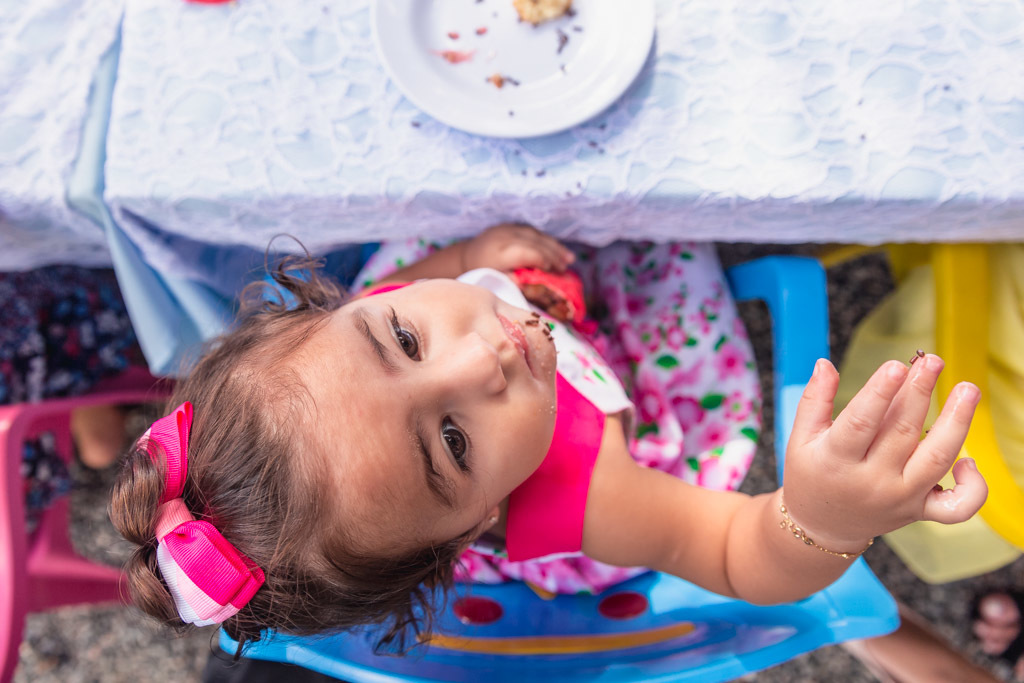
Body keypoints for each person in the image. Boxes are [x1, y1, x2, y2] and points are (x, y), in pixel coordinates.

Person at [109, 224, 988, 654]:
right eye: (453, 441)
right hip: (622, 392)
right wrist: (825, 519)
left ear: (330, 309)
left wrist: (471, 254)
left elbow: (404, 286)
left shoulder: (362, 343)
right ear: (475, 523)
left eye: (405, 338)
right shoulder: (591, 491)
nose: (484, 355)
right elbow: (734, 553)